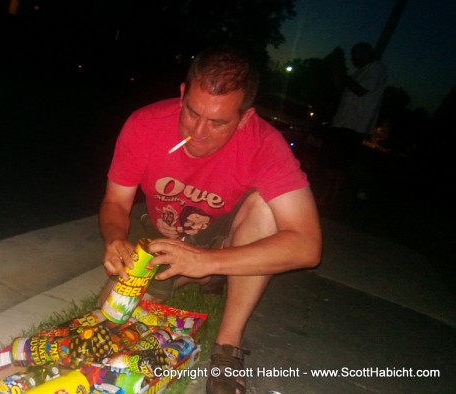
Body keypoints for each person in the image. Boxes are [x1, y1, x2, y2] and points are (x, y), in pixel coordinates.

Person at [97, 45, 322, 394]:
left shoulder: (265, 145)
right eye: (192, 112)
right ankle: (200, 277)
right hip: (160, 231)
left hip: (224, 237)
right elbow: (115, 202)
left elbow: (308, 246)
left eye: (217, 122)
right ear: (183, 93)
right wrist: (114, 238)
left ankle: (227, 345)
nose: (198, 132)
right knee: (112, 314)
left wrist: (206, 259)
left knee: (266, 208)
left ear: (245, 117)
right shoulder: (144, 124)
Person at [317, 42, 387, 208]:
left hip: (354, 126)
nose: (353, 59)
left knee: (339, 166)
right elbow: (347, 92)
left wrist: (343, 73)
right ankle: (326, 198)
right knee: (331, 164)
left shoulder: (376, 69)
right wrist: (337, 76)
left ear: (366, 53)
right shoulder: (361, 71)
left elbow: (360, 90)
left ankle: (330, 200)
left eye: (355, 55)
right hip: (344, 123)